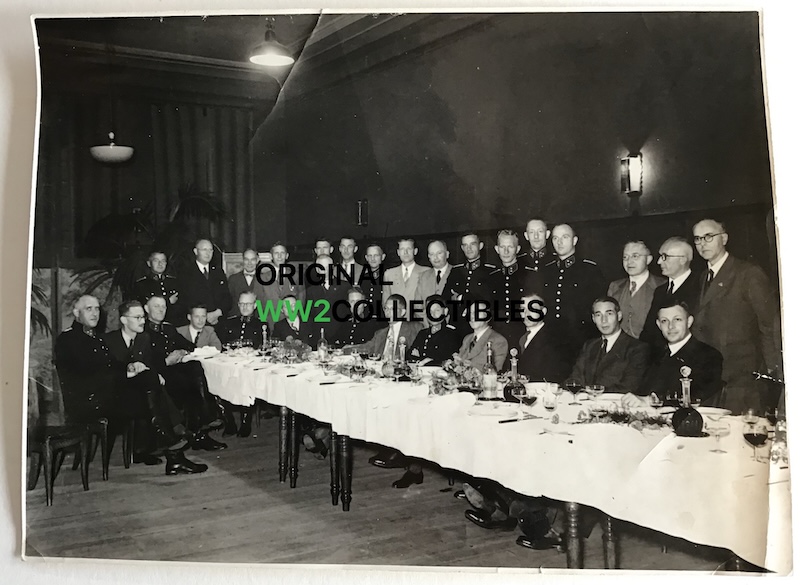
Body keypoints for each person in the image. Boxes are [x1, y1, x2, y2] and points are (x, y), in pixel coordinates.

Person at [54, 295, 195, 470]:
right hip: (89, 401)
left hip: (105, 396)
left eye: (97, 308)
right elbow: (86, 374)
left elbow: (110, 364)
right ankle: (172, 441)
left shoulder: (95, 338)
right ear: (76, 313)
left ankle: (171, 447)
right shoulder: (68, 340)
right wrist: (125, 375)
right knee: (148, 385)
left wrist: (130, 366)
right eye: (88, 309)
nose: (95, 313)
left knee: (147, 378)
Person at [102, 300, 209, 474]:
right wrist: (129, 368)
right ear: (123, 320)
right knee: (151, 385)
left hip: (142, 393)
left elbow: (149, 364)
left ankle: (173, 447)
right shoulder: (109, 340)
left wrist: (152, 373)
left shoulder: (143, 338)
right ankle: (175, 432)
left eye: (142, 317)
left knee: (152, 383)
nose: (143, 321)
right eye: (137, 317)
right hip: (117, 395)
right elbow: (108, 372)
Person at [691, 218, 782, 413]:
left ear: (724, 238)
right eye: (697, 239)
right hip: (712, 377)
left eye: (708, 237)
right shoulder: (703, 277)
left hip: (742, 378)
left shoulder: (748, 273)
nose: (702, 243)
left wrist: (774, 372)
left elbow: (770, 325)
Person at [143, 296, 226, 451]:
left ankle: (198, 429)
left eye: (163, 307)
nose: (161, 310)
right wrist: (166, 362)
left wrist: (182, 351)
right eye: (156, 306)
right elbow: (145, 361)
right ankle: (202, 426)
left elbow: (189, 345)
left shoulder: (168, 329)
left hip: (175, 372)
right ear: (146, 309)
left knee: (195, 367)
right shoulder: (143, 332)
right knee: (189, 383)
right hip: (158, 376)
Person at [622, 300, 724, 408]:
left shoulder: (708, 355)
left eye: (677, 319)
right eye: (664, 321)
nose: (671, 326)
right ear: (658, 325)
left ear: (689, 322)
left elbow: (696, 396)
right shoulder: (655, 354)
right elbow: (641, 390)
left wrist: (652, 400)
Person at [533, 223, 606, 361]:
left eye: (565, 237)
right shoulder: (546, 271)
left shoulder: (589, 270)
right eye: (555, 238)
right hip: (551, 339)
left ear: (574, 240)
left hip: (580, 339)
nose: (559, 242)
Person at [567, 296, 648, 394]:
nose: (603, 320)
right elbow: (575, 378)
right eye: (598, 315)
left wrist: (591, 391)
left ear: (619, 316)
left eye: (609, 314)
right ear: (593, 319)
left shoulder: (636, 348)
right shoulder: (589, 346)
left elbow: (629, 387)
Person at [640, 237, 703, 348]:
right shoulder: (660, 291)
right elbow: (649, 331)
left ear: (682, 259)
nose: (659, 261)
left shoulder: (700, 286)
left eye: (665, 257)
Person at [607, 241, 666, 339]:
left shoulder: (661, 286)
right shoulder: (615, 286)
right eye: (625, 257)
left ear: (648, 259)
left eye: (635, 256)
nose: (629, 262)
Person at [512, 291, 571, 382]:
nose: (527, 314)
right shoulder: (518, 336)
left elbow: (553, 377)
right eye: (523, 309)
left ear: (543, 312)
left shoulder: (555, 340)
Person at [486, 229, 528, 346]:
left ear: (518, 249)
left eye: (510, 247)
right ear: (496, 249)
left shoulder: (528, 275)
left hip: (521, 335)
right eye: (502, 247)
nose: (505, 251)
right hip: (497, 336)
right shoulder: (491, 278)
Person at [176, 238, 231, 326]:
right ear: (195, 251)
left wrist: (217, 313)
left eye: (210, 250)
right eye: (204, 249)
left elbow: (226, 297)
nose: (208, 253)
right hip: (196, 324)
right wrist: (204, 316)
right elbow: (185, 301)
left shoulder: (218, 272)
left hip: (218, 322)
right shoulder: (185, 273)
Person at [261, 242, 306, 329]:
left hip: (291, 323)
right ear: (271, 256)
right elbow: (259, 301)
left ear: (287, 256)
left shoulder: (296, 276)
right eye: (276, 253)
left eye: (282, 253)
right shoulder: (263, 278)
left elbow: (301, 299)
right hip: (271, 323)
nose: (279, 256)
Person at [406, 295, 461, 366]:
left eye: (437, 310)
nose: (432, 314)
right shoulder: (422, 333)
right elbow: (409, 355)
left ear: (445, 311)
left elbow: (449, 360)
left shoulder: (452, 334)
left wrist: (426, 360)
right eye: (429, 311)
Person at [382, 238, 432, 310]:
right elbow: (385, 303)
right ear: (398, 252)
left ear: (415, 251)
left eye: (409, 249)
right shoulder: (389, 274)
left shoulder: (426, 272)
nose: (405, 252)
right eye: (402, 249)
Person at [133, 250, 182, 322]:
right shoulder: (142, 284)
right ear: (149, 263)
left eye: (163, 261)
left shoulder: (174, 282)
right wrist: (168, 301)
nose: (160, 264)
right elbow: (142, 305)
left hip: (174, 322)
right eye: (156, 261)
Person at [457, 304, 508, 371]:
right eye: (470, 313)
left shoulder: (498, 340)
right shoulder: (467, 339)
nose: (472, 316)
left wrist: (472, 366)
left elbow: (495, 371)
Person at [227, 248, 268, 316]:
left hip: (258, 321)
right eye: (246, 259)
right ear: (242, 260)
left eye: (252, 259)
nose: (249, 263)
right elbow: (229, 303)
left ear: (257, 260)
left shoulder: (265, 279)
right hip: (237, 321)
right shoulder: (233, 279)